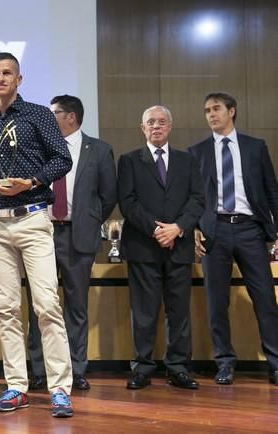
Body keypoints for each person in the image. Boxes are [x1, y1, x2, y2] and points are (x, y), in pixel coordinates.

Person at [0, 52, 74, 418]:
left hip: (34, 218)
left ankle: (60, 389)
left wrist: (31, 182)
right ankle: (17, 386)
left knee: (46, 305)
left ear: (19, 79)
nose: (1, 78)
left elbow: (62, 159)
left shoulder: (38, 114)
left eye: (7, 73)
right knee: (6, 308)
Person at [26, 95, 117, 391]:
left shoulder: (99, 150)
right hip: (42, 235)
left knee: (76, 307)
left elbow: (108, 196)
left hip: (79, 236)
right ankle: (39, 369)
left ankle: (76, 369)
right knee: (40, 306)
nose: (48, 118)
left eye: (54, 113)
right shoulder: (40, 149)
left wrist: (88, 219)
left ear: (71, 116)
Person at [188, 92, 278, 386]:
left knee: (265, 299)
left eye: (216, 109)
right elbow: (193, 198)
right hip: (215, 232)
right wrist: (196, 227)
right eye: (207, 111)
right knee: (217, 302)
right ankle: (224, 363)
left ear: (232, 111)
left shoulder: (255, 147)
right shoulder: (197, 151)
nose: (211, 115)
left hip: (251, 229)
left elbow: (271, 191)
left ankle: (275, 363)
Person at [117, 105, 204, 390]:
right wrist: (156, 229)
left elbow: (197, 200)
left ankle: (178, 367)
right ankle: (142, 368)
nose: (156, 126)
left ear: (170, 127)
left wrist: (177, 228)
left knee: (178, 311)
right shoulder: (129, 161)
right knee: (144, 312)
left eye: (162, 122)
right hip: (144, 246)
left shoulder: (187, 161)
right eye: (150, 122)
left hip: (178, 246)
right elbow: (127, 202)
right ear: (143, 128)